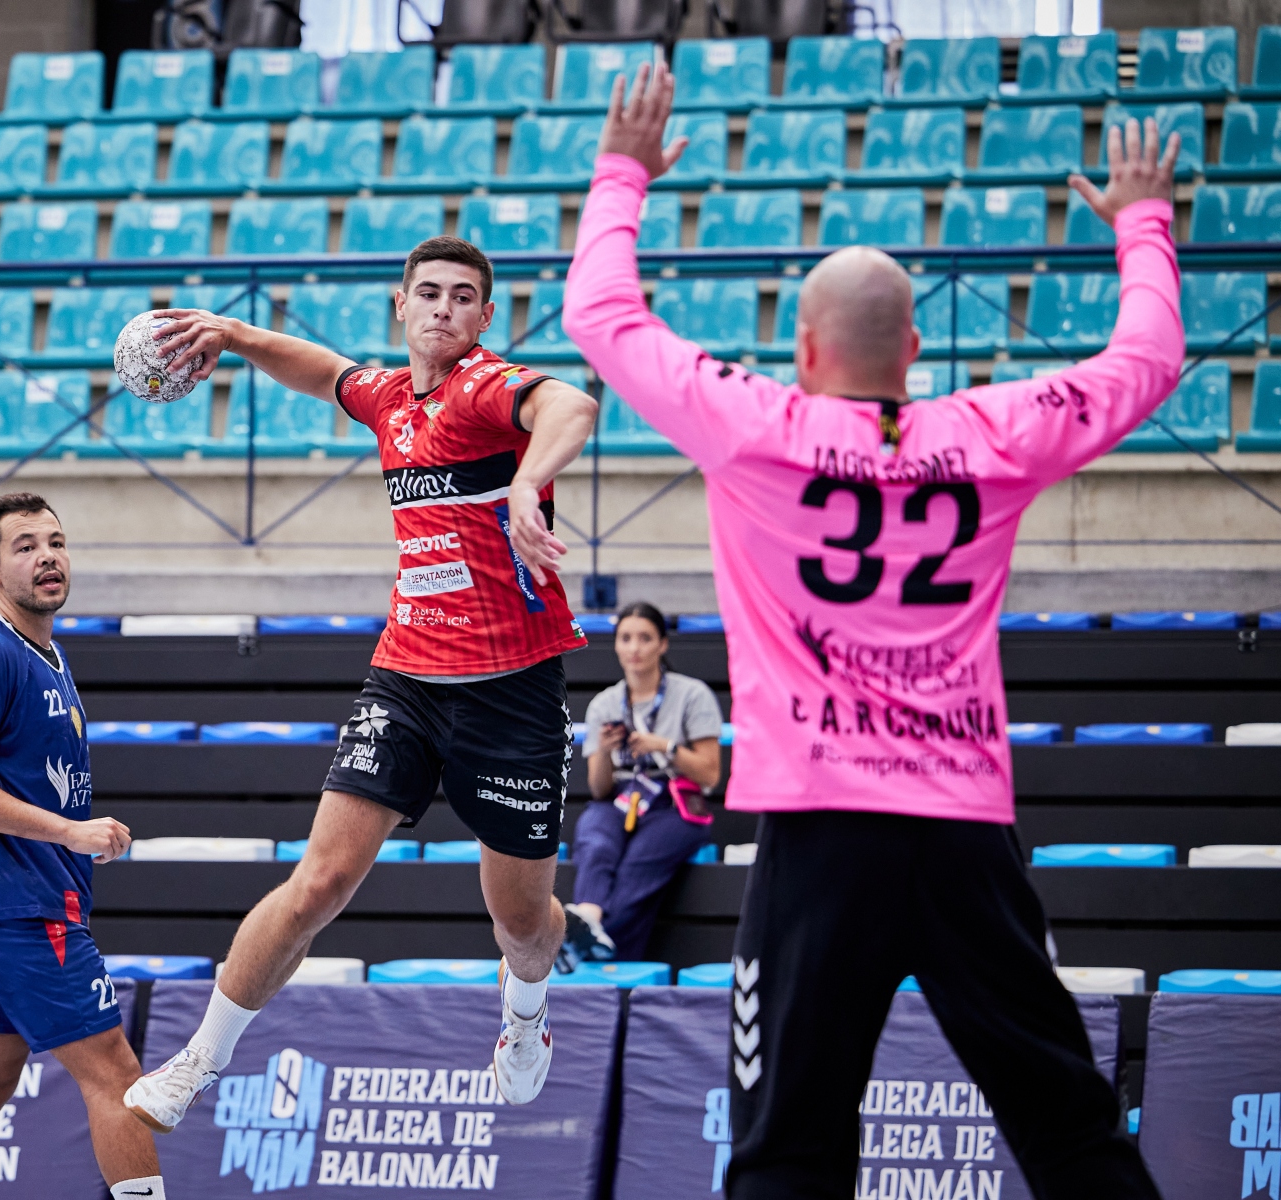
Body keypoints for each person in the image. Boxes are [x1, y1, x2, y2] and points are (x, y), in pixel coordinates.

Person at [563, 61, 1181, 1198]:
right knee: (1070, 1131)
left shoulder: (754, 424)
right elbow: (1143, 364)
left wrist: (624, 172)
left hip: (819, 839)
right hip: (963, 834)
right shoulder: (989, 431)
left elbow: (601, 315)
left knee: (785, 1150)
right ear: (912, 352)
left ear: (805, 347)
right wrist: (1143, 224)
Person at [123, 235, 601, 1129]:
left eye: (464, 296)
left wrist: (528, 482)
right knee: (320, 881)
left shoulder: (485, 389)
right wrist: (233, 333)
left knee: (522, 924)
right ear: (402, 304)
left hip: (513, 690)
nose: (445, 308)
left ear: (484, 317)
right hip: (407, 677)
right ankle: (198, 1060)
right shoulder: (388, 398)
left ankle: (526, 1011)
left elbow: (573, 403)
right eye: (430, 292)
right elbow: (324, 372)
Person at [0, 492, 165, 1200]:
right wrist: (70, 832)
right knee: (117, 1073)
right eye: (25, 546)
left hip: (26, 900)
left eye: (55, 542)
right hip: (23, 907)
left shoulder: (47, 652)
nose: (47, 556)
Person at [562, 601, 722, 967]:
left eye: (645, 638)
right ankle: (588, 916)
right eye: (626, 638)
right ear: (616, 645)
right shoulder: (604, 703)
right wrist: (605, 750)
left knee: (637, 868)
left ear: (663, 644)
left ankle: (590, 952)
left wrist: (664, 746)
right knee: (594, 837)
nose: (634, 648)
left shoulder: (693, 694)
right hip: (620, 797)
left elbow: (710, 773)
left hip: (676, 802)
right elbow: (599, 789)